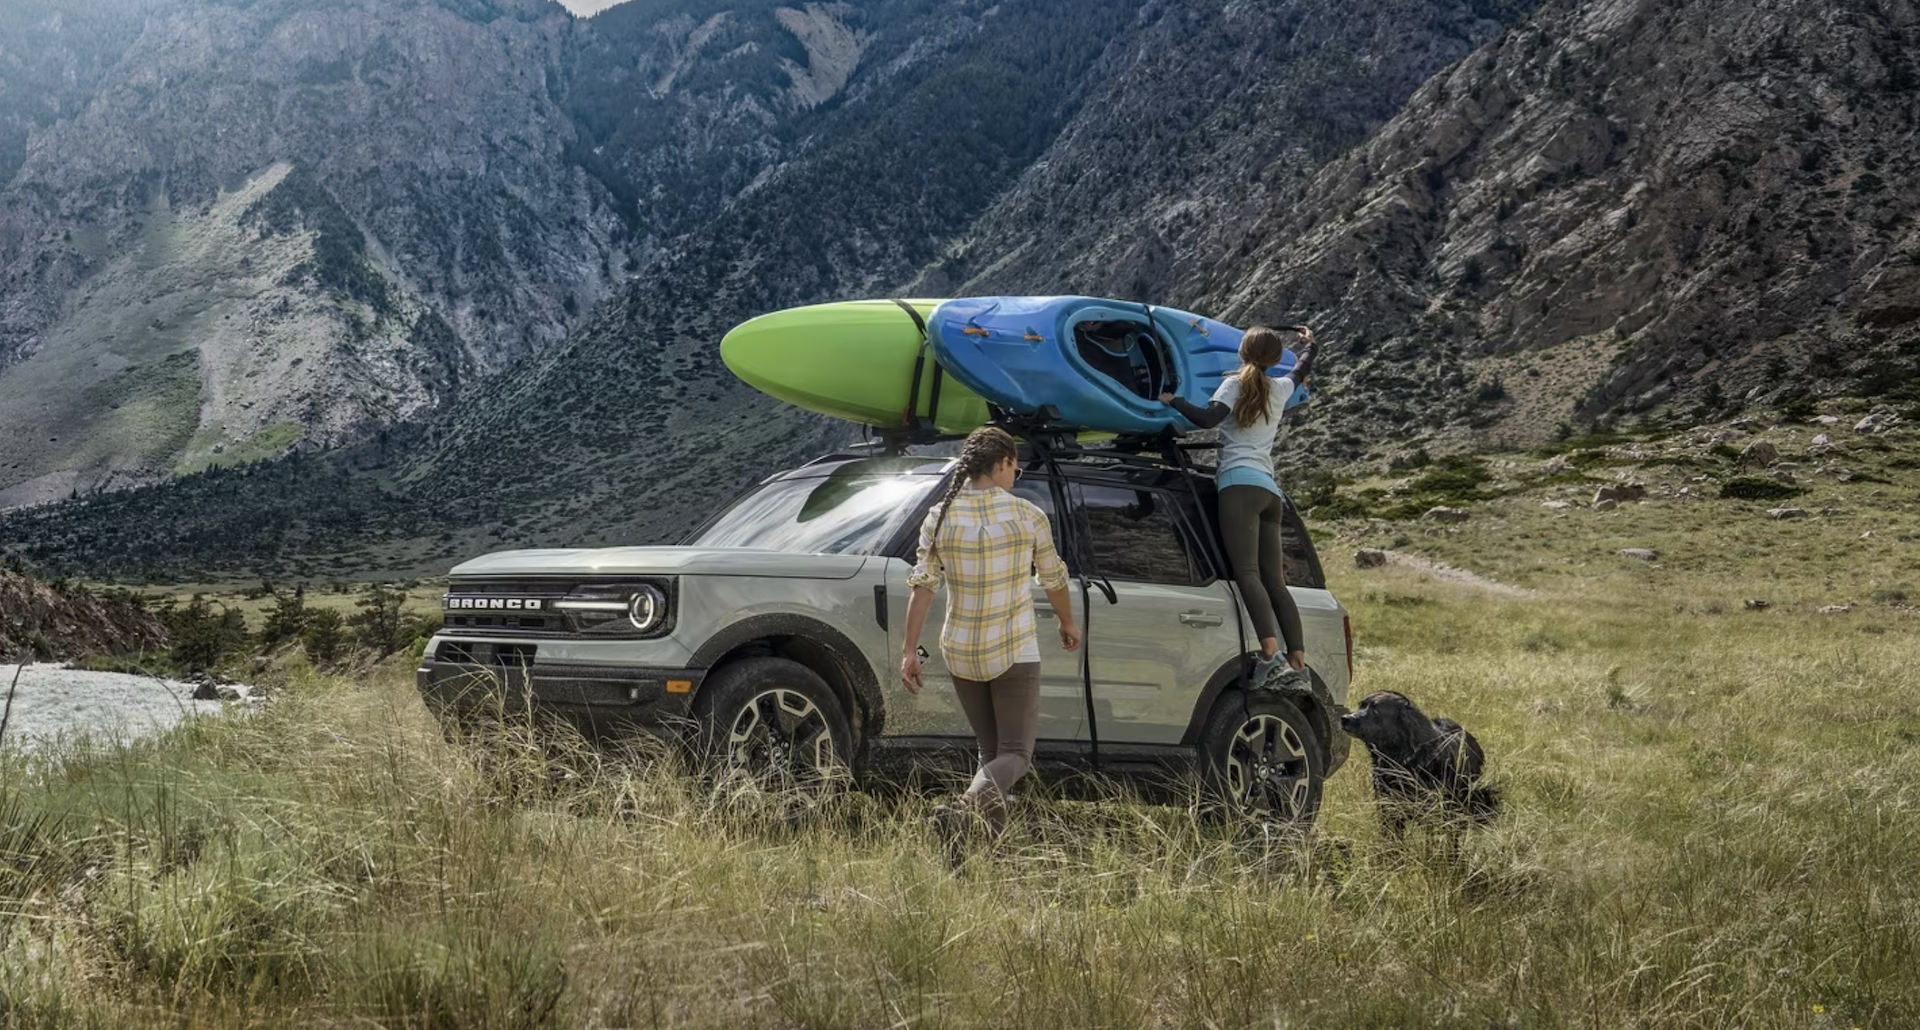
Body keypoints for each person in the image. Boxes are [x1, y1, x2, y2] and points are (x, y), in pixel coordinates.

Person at [901, 426, 1082, 842]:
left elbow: (923, 586)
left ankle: (978, 851)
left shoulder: (939, 517)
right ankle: (962, 809)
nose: (1013, 478)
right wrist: (1067, 621)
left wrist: (910, 651)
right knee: (1016, 755)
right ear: (1002, 463)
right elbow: (1053, 578)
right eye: (1014, 470)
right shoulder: (1026, 515)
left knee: (990, 754)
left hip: (960, 650)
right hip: (1013, 646)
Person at [1161, 324, 1317, 687]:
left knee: (1247, 573)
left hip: (1238, 484)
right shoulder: (1280, 388)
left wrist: (1174, 401)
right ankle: (1298, 666)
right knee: (1276, 582)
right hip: (1269, 491)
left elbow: (1206, 419)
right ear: (1274, 358)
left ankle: (1270, 656)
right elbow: (1302, 369)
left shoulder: (1234, 384)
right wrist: (1309, 345)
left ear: (1243, 353)